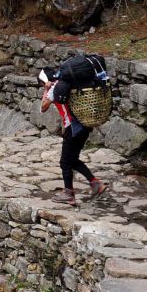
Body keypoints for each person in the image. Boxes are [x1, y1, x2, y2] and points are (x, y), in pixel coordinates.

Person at [39, 70, 109, 205]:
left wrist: (46, 89)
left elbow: (43, 108)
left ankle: (69, 194)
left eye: (42, 84)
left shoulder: (55, 88)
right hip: (84, 127)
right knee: (72, 159)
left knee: (65, 162)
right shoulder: (69, 84)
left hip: (73, 128)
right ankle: (96, 184)